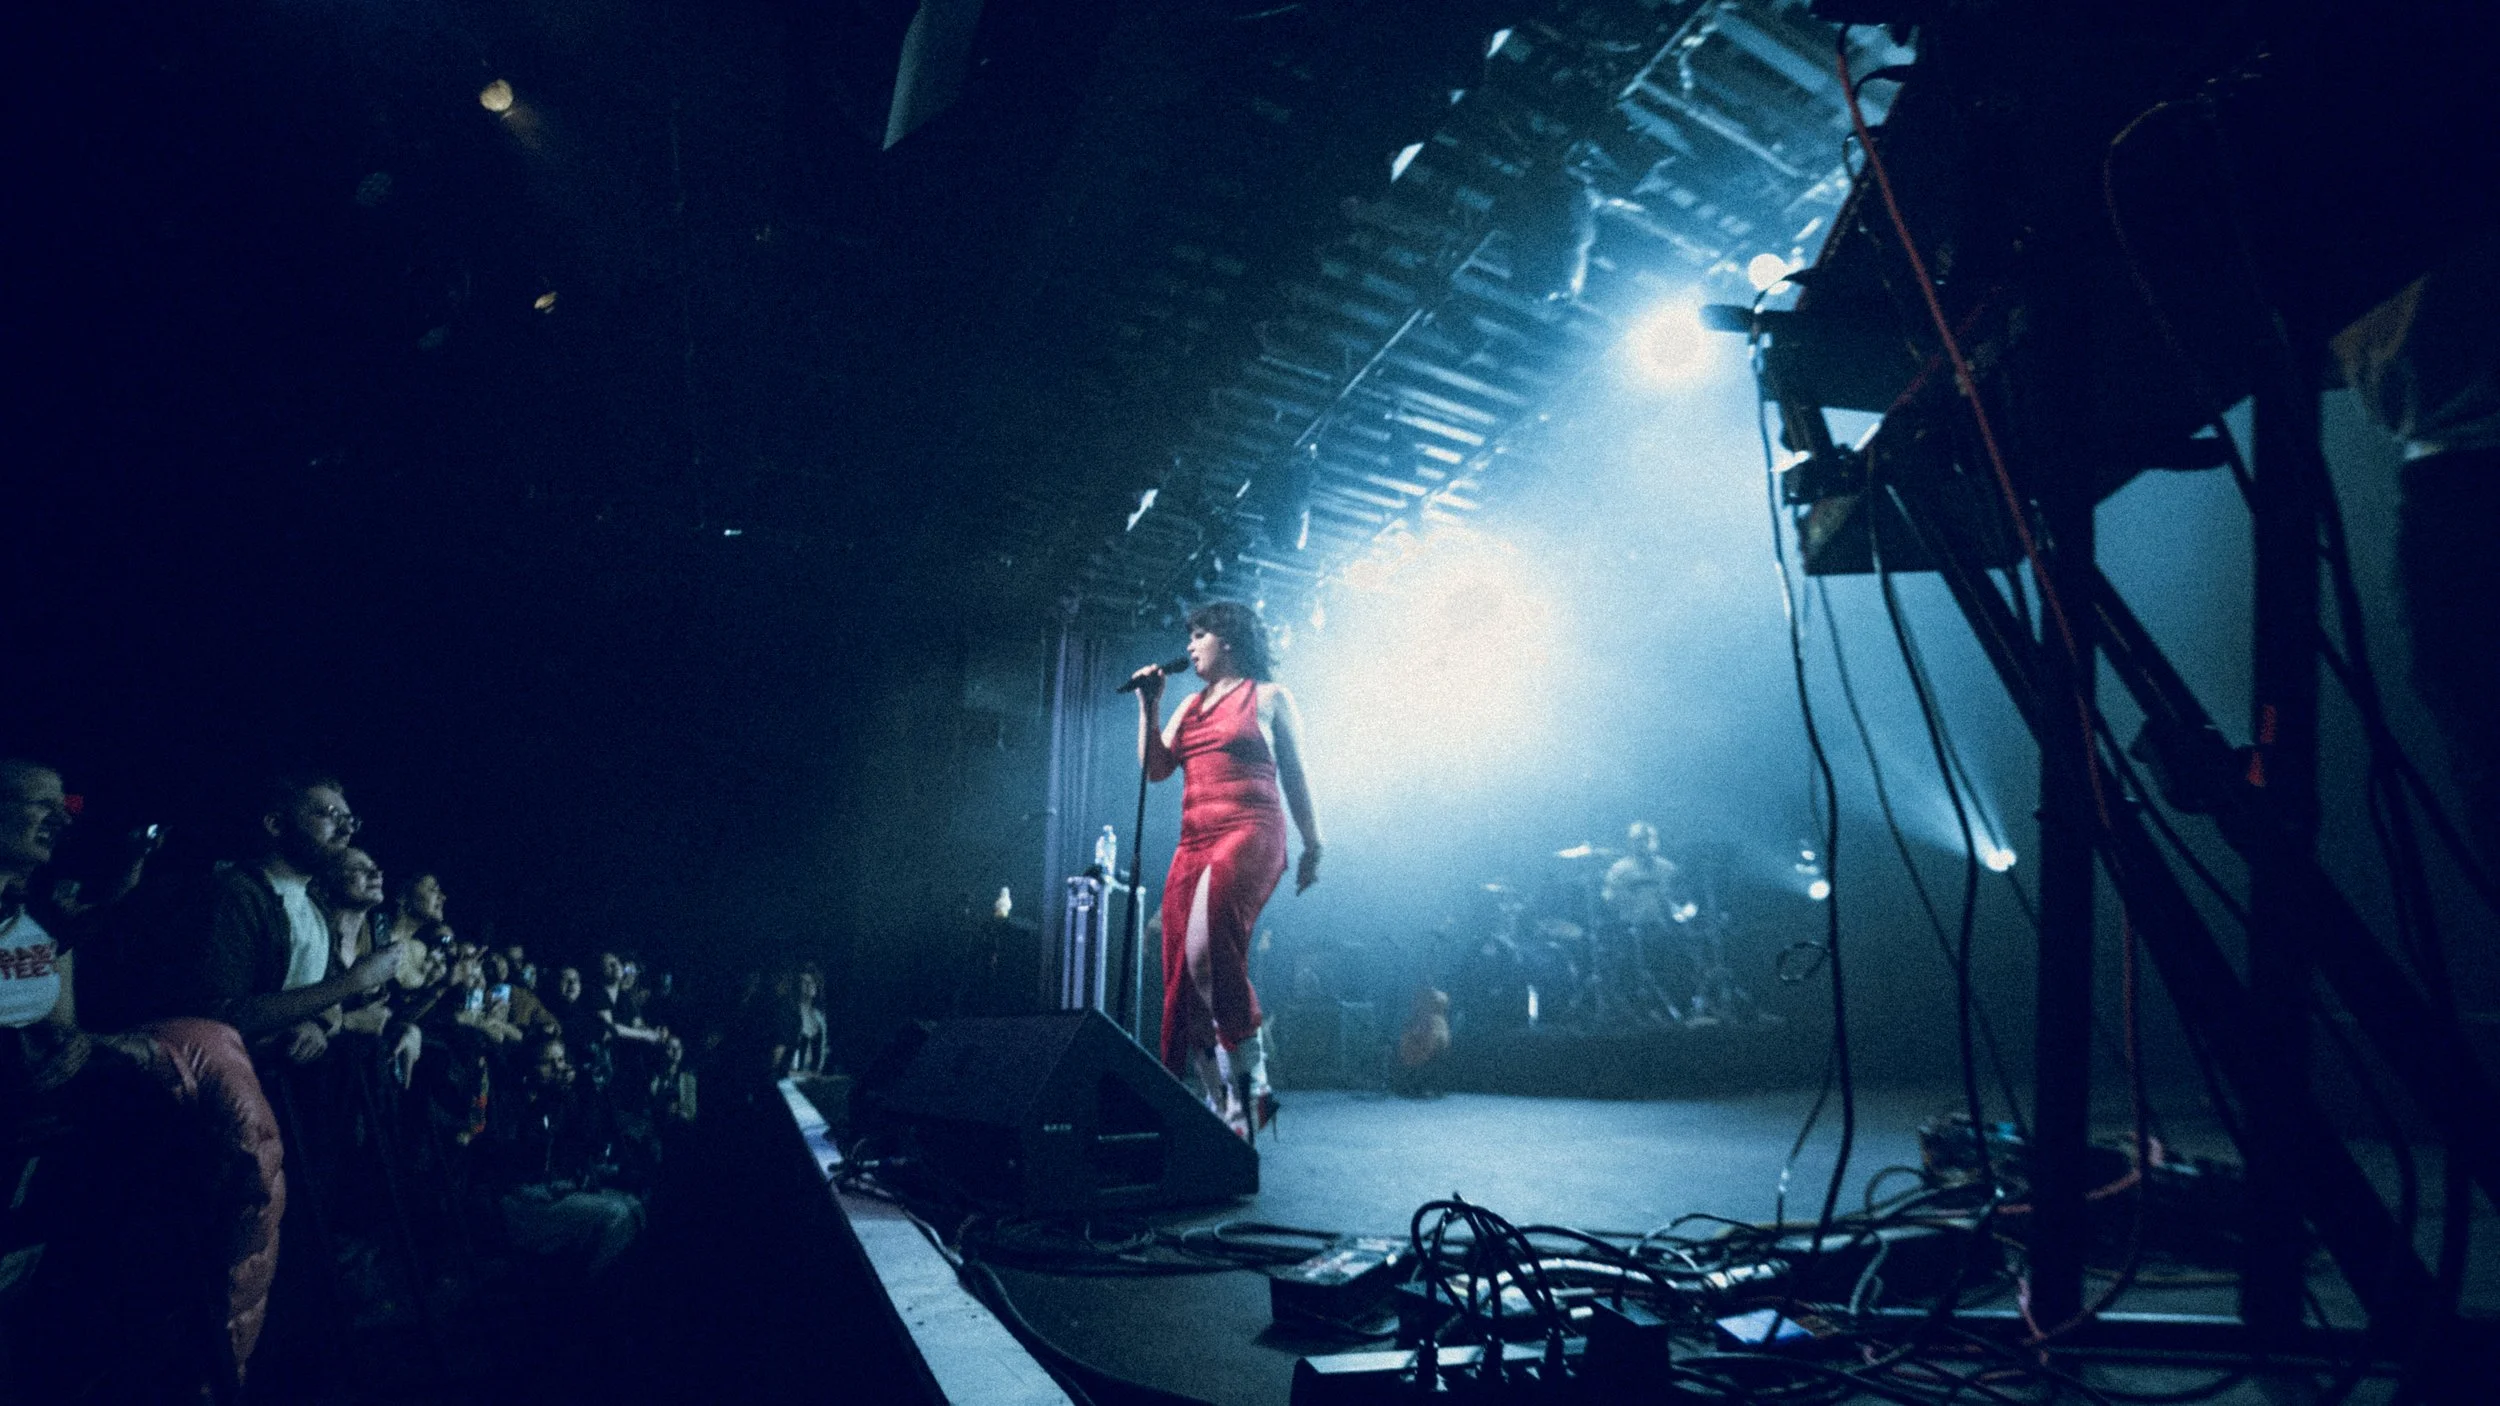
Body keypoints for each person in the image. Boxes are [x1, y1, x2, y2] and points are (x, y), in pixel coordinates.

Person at [1130, 601, 1323, 1138]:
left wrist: (1314, 843)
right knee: (1183, 980)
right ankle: (1227, 1110)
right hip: (1194, 842)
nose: (1190, 646)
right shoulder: (1188, 705)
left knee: (1206, 952)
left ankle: (1254, 1081)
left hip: (1250, 831)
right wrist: (1150, 705)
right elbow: (1156, 769)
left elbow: (1296, 775)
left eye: (1200, 635)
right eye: (1188, 637)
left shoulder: (1271, 698)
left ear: (1230, 640)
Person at [182, 776, 402, 1059]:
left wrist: (317, 1024)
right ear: (276, 825)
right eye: (328, 815)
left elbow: (323, 1003)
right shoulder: (238, 893)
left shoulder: (317, 910)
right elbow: (216, 1017)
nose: (346, 829)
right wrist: (355, 980)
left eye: (350, 820)